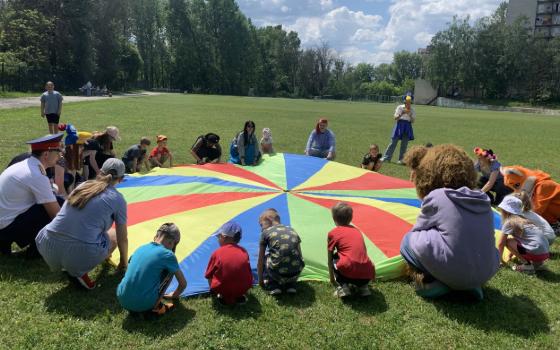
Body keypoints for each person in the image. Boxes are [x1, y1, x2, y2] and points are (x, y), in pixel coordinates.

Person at [400, 144, 499, 300]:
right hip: (485, 272)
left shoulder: (438, 196)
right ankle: (470, 285)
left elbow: (419, 230)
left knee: (408, 241)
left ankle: (436, 283)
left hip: (453, 268)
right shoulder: (483, 199)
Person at [35, 158, 129, 290]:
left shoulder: (82, 186)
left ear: (100, 172)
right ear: (121, 178)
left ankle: (69, 262)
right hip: (80, 251)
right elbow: (122, 238)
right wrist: (124, 263)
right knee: (112, 234)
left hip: (46, 244)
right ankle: (79, 269)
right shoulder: (118, 199)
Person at [0, 134, 64, 257]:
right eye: (57, 151)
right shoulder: (36, 174)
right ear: (46, 154)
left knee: (51, 201)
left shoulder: (25, 164)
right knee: (57, 205)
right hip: (5, 227)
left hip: (3, 222)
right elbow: (56, 214)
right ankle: (35, 252)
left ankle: (4, 244)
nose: (60, 155)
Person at [117, 223, 187, 316]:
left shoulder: (140, 248)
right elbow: (183, 284)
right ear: (171, 242)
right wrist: (174, 295)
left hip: (122, 299)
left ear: (156, 236)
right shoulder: (168, 255)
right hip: (144, 304)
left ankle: (135, 298)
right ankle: (156, 307)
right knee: (171, 269)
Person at [327, 202, 375, 298]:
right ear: (351, 218)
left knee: (335, 256)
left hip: (347, 273)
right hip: (367, 273)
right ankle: (364, 288)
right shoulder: (357, 231)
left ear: (334, 219)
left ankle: (343, 287)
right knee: (358, 259)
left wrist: (332, 279)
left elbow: (329, 258)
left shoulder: (333, 233)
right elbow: (364, 252)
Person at [497, 195, 549, 274]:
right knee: (515, 240)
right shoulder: (524, 219)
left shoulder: (509, 222)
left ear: (505, 210)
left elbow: (501, 243)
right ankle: (538, 264)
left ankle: (527, 265)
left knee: (507, 242)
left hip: (535, 251)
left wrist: (498, 261)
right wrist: (512, 254)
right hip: (545, 253)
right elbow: (522, 240)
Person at [257, 209, 304, 295]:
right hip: (296, 271)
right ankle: (291, 285)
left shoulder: (266, 233)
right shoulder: (292, 230)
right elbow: (300, 254)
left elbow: (260, 260)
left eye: (261, 225)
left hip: (277, 272)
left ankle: (273, 285)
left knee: (266, 256)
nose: (261, 228)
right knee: (291, 258)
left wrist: (260, 281)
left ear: (269, 219)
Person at [205, 222, 253, 305]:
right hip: (243, 288)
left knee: (212, 276)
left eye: (218, 236)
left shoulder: (217, 253)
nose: (218, 239)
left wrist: (213, 290)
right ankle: (238, 296)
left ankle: (222, 296)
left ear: (224, 237)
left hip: (223, 289)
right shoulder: (244, 251)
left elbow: (208, 275)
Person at [381, 95, 415, 164]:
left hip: (407, 126)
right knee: (393, 142)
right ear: (404, 101)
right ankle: (386, 158)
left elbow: (413, 121)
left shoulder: (412, 110)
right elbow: (395, 118)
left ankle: (402, 160)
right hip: (399, 125)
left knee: (404, 144)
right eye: (407, 102)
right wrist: (402, 113)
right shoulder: (400, 107)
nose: (408, 103)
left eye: (409, 102)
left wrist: (410, 114)